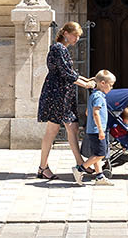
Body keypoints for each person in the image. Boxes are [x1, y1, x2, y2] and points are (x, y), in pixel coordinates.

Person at [35, 21, 94, 181]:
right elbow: (66, 74)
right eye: (75, 35)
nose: (76, 39)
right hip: (57, 95)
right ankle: (43, 167)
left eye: (78, 36)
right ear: (66, 33)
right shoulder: (58, 48)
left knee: (72, 127)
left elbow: (70, 72)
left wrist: (85, 79)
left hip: (63, 94)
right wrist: (86, 84)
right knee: (54, 130)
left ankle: (80, 164)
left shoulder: (62, 49)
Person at [78, 70, 116, 185]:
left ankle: (99, 177)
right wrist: (100, 129)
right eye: (111, 85)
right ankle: (79, 169)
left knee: (96, 154)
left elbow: (87, 112)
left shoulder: (94, 95)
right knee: (100, 154)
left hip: (92, 130)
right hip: (97, 130)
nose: (111, 88)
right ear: (103, 83)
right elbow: (95, 113)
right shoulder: (99, 97)